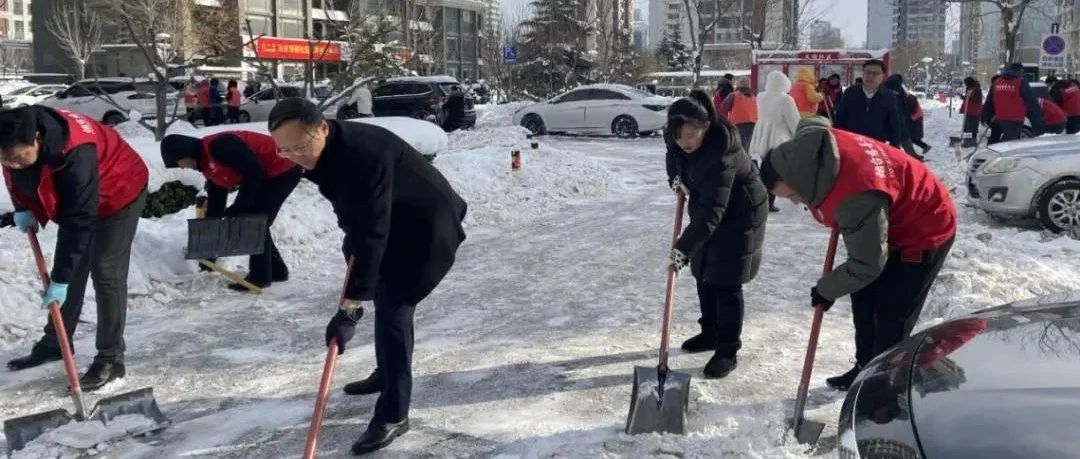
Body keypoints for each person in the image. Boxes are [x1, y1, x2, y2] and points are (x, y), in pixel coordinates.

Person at [266, 98, 467, 455]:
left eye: (299, 146)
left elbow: (373, 230)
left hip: (425, 229)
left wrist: (350, 307)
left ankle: (394, 414)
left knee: (394, 308)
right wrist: (353, 258)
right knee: (378, 290)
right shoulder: (325, 150)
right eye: (284, 149)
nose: (294, 155)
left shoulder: (364, 155)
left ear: (323, 127)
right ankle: (384, 372)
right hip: (390, 221)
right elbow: (356, 215)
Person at [759, 118, 956, 391]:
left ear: (802, 179)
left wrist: (827, 288)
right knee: (863, 297)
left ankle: (884, 388)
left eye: (794, 194)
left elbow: (868, 263)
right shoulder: (815, 146)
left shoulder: (852, 196)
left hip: (924, 226)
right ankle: (865, 368)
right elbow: (813, 122)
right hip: (887, 214)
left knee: (891, 315)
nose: (795, 202)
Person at [2, 106, 149, 391]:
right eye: (6, 159)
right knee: (70, 267)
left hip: (119, 191)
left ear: (37, 139)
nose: (15, 164)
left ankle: (111, 358)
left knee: (105, 271)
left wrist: (61, 280)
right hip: (84, 196)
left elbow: (79, 220)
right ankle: (55, 342)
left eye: (20, 158)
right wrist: (22, 207)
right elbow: (13, 175)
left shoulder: (76, 150)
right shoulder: (12, 133)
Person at [665, 90, 769, 379]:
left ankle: (727, 350)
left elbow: (713, 213)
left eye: (691, 135)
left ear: (705, 127)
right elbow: (673, 156)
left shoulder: (722, 153)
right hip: (708, 201)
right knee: (703, 271)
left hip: (741, 214)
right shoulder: (677, 140)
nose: (684, 141)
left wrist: (681, 249)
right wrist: (675, 178)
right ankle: (709, 332)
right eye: (679, 135)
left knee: (725, 281)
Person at [160, 131, 302, 290]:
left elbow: (254, 171)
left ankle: (260, 277)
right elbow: (217, 201)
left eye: (180, 162)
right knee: (256, 219)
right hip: (269, 173)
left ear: (186, 152)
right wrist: (209, 248)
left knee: (255, 219)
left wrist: (238, 207)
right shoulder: (208, 164)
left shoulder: (219, 147)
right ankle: (276, 270)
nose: (182, 167)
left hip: (284, 167)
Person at [748, 71, 800, 213]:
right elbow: (793, 121)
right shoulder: (786, 99)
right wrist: (799, 136)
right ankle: (769, 202)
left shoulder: (761, 96)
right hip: (779, 137)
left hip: (763, 135)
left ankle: (760, 199)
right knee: (776, 172)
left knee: (764, 169)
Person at [834, 59, 902, 147]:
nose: (870, 76)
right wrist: (837, 141)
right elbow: (840, 118)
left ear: (883, 76)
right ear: (863, 74)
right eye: (867, 72)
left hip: (877, 145)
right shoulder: (850, 92)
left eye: (875, 73)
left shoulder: (888, 96)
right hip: (852, 143)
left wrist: (895, 147)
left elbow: (894, 124)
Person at [982, 63, 1042, 143]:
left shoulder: (997, 82)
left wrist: (985, 117)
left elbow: (989, 102)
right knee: (1010, 143)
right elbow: (1031, 101)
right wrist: (1039, 115)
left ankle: (990, 154)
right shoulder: (1020, 82)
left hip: (998, 118)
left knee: (994, 142)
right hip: (1014, 119)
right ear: (1021, 71)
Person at [883, 74, 917, 158]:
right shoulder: (900, 88)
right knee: (903, 135)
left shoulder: (884, 86)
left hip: (886, 116)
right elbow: (905, 102)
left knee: (888, 135)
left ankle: (889, 155)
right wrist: (904, 114)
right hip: (899, 115)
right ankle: (911, 154)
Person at [721, 76, 758, 148]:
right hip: (752, 124)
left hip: (737, 124)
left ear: (738, 84)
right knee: (747, 145)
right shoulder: (753, 96)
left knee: (737, 146)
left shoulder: (733, 95)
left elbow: (724, 107)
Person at [959, 77, 983, 147]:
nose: (966, 85)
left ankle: (973, 141)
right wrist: (963, 98)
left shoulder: (977, 89)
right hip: (968, 110)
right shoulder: (968, 88)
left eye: (967, 84)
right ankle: (968, 140)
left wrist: (967, 98)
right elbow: (967, 98)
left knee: (973, 126)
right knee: (967, 126)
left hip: (975, 111)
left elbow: (977, 99)